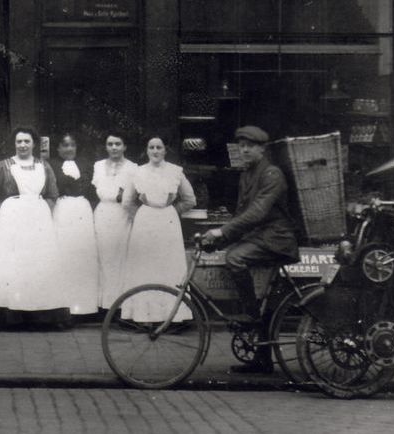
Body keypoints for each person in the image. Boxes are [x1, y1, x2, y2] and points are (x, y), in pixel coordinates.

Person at [201, 126, 300, 374]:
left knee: (235, 258)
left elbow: (257, 212)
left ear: (262, 149)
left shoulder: (271, 174)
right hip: (261, 237)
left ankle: (250, 317)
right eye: (241, 145)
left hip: (277, 238)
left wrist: (222, 232)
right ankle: (262, 359)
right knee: (262, 296)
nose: (244, 150)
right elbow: (242, 214)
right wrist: (219, 240)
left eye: (250, 146)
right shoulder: (247, 174)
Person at [0, 128, 69, 326]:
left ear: (34, 144)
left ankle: (41, 314)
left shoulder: (44, 166)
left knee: (37, 263)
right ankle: (12, 315)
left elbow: (52, 193)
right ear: (14, 144)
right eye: (19, 141)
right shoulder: (2, 166)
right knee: (13, 264)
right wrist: (9, 211)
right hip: (12, 220)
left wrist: (40, 212)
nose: (23, 145)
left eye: (27, 141)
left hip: (38, 221)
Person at [119, 137, 196, 323]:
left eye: (159, 147)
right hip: (145, 223)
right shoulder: (138, 172)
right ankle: (143, 316)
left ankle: (171, 316)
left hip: (168, 222)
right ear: (146, 150)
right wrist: (141, 215)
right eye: (151, 147)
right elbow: (127, 201)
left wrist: (172, 211)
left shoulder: (176, 171)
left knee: (168, 266)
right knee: (145, 267)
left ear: (164, 150)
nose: (155, 151)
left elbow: (190, 199)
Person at [50, 133, 99, 317]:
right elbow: (59, 185)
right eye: (64, 145)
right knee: (64, 255)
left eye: (72, 145)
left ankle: (84, 308)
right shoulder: (52, 165)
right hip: (63, 210)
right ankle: (64, 307)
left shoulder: (86, 164)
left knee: (82, 256)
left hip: (82, 211)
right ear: (58, 148)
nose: (69, 149)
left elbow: (88, 187)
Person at [92, 135, 138, 310]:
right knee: (103, 258)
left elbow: (134, 195)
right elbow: (98, 189)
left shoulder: (133, 167)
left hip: (122, 215)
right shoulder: (98, 166)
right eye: (110, 144)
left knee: (121, 258)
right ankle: (103, 305)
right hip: (103, 214)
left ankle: (119, 306)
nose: (114, 147)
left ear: (125, 146)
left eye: (118, 144)